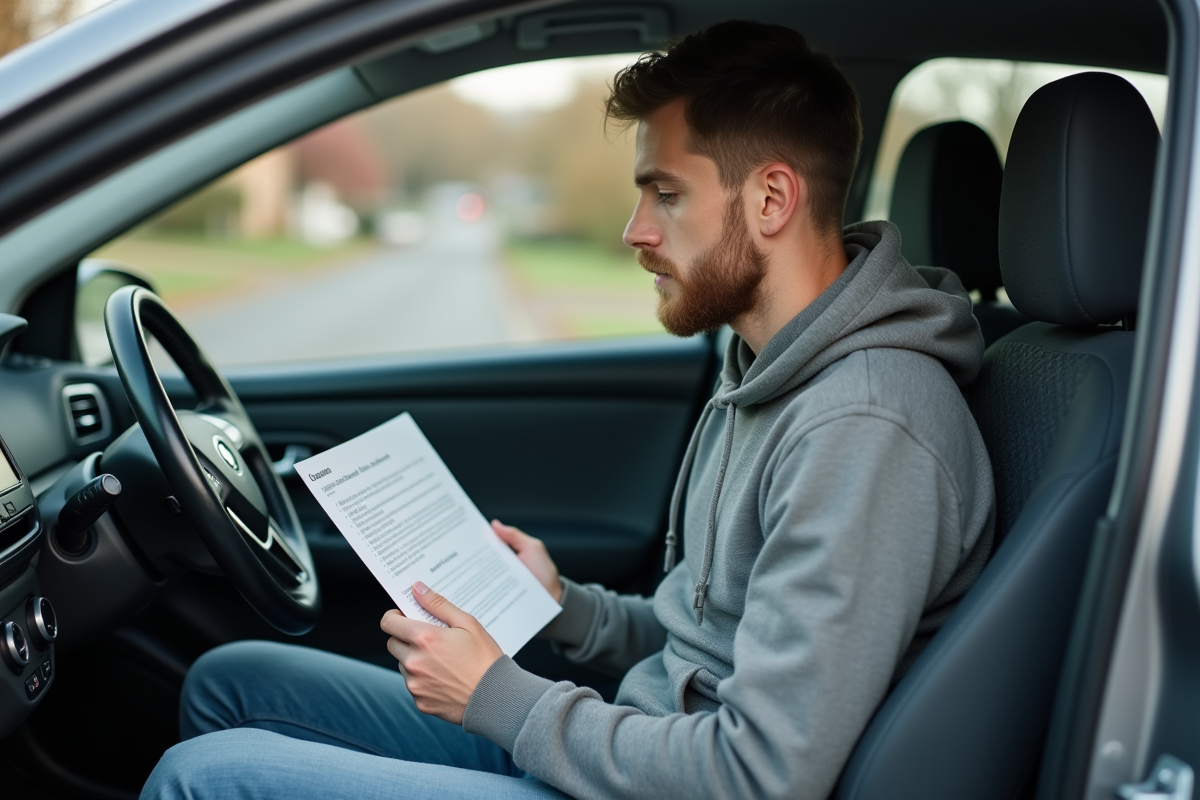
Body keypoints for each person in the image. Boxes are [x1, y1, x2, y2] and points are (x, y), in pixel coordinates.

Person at [142, 20, 994, 800]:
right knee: (233, 680)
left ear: (771, 200)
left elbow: (759, 773)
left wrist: (496, 695)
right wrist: (564, 606)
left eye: (665, 192)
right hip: (640, 748)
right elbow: (705, 647)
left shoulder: (867, 426)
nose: (632, 229)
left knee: (199, 780)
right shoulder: (766, 369)